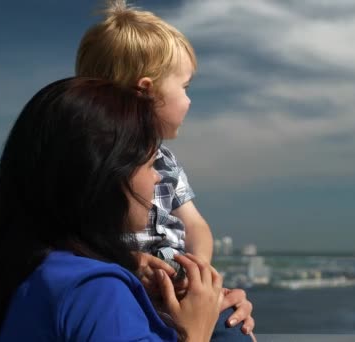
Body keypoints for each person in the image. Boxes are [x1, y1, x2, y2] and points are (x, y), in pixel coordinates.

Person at [0, 77, 223, 341]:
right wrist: (195, 330)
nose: (157, 178)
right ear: (108, 175)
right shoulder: (95, 291)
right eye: (151, 164)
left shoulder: (32, 271)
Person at [76, 1, 255, 339]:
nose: (189, 101)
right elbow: (75, 238)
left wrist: (199, 273)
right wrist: (128, 261)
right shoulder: (90, 161)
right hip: (126, 291)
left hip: (176, 287)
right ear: (146, 92)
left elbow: (196, 226)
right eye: (184, 88)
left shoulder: (165, 160)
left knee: (233, 328)